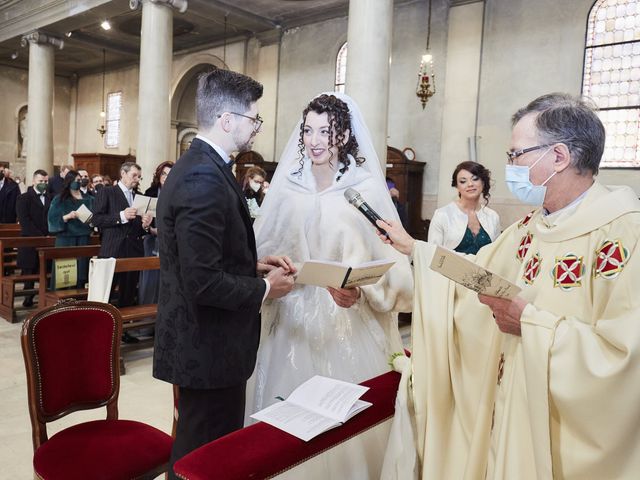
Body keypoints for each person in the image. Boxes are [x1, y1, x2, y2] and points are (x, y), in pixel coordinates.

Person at [379, 93, 640, 479]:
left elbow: (625, 359)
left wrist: (530, 323)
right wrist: (415, 251)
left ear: (559, 157)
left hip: (564, 439)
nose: (509, 166)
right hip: (509, 408)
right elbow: (475, 275)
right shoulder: (530, 228)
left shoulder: (624, 235)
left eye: (517, 154)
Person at [152, 68, 295, 478]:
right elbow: (202, 281)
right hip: (208, 346)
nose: (256, 129)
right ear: (228, 120)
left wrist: (251, 265)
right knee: (204, 455)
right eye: (254, 119)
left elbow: (200, 257)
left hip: (206, 342)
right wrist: (266, 287)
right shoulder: (202, 177)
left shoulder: (201, 165)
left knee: (206, 447)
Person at [248, 93, 413, 428]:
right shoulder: (289, 187)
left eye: (325, 131)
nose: (314, 140)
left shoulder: (363, 189)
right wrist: (271, 269)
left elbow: (388, 258)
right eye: (308, 131)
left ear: (344, 136)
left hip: (345, 317)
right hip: (291, 318)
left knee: (345, 421)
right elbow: (263, 246)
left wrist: (360, 291)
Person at [91, 162, 152, 311]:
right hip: (113, 250)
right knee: (105, 295)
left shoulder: (139, 197)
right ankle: (101, 330)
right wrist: (121, 216)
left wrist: (145, 225)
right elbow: (96, 220)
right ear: (123, 174)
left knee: (128, 295)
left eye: (139, 177)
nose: (137, 179)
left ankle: (123, 331)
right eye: (134, 175)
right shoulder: (107, 192)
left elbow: (138, 229)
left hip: (133, 251)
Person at [428, 161, 500, 254]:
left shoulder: (493, 216)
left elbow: (498, 253)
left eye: (475, 179)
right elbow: (432, 254)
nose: (470, 184)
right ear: (457, 186)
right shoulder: (442, 215)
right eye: (463, 181)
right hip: (450, 268)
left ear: (483, 182)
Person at [47, 170, 94, 289]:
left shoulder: (89, 199)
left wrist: (93, 222)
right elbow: (52, 220)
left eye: (79, 180)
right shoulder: (60, 199)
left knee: (81, 272)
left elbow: (96, 218)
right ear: (68, 182)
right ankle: (61, 301)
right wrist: (67, 216)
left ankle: (78, 299)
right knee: (65, 273)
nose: (78, 182)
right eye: (75, 180)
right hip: (66, 239)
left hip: (84, 239)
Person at [138, 160, 174, 307]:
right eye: (164, 173)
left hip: (170, 242)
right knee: (150, 279)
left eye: (170, 174)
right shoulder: (150, 193)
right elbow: (141, 225)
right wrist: (148, 227)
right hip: (151, 240)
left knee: (168, 279)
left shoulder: (178, 194)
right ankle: (145, 321)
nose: (166, 176)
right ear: (158, 175)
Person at [16, 169, 50, 307]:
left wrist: (49, 235)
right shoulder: (24, 198)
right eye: (40, 181)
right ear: (34, 181)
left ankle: (46, 297)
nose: (43, 183)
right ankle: (28, 297)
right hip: (30, 239)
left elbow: (52, 218)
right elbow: (25, 220)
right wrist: (41, 236)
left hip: (47, 239)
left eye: (46, 181)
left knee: (45, 270)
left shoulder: (50, 198)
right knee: (29, 269)